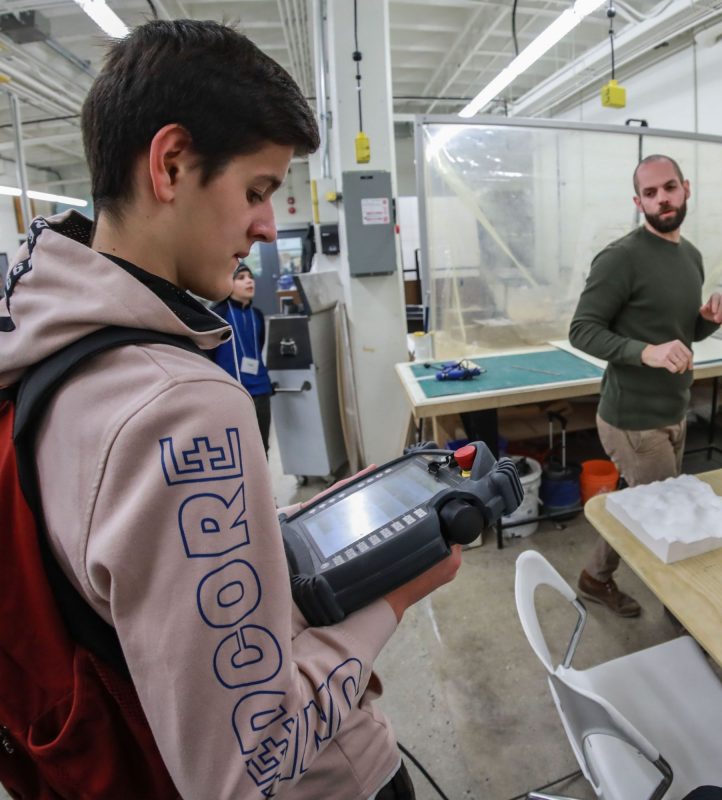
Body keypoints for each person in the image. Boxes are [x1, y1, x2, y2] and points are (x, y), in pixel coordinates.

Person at [0, 20, 458, 799]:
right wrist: (394, 598)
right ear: (171, 163)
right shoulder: (178, 405)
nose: (266, 225)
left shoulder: (42, 350)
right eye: (255, 190)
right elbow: (254, 768)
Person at [568, 154, 722, 617]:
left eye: (669, 188)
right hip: (634, 420)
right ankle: (683, 615)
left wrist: (706, 322)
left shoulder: (691, 257)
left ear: (686, 188)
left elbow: (681, 335)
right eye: (650, 192)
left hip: (673, 410)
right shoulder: (621, 258)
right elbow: (582, 329)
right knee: (668, 518)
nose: (662, 198)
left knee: (638, 503)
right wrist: (646, 351)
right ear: (638, 201)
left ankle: (593, 578)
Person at [209, 262, 273, 451]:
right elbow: (206, 357)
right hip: (232, 393)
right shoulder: (217, 316)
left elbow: (258, 347)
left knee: (262, 449)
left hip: (260, 390)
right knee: (239, 451)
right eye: (241, 277)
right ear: (229, 282)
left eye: (251, 277)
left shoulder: (257, 315)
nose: (249, 281)